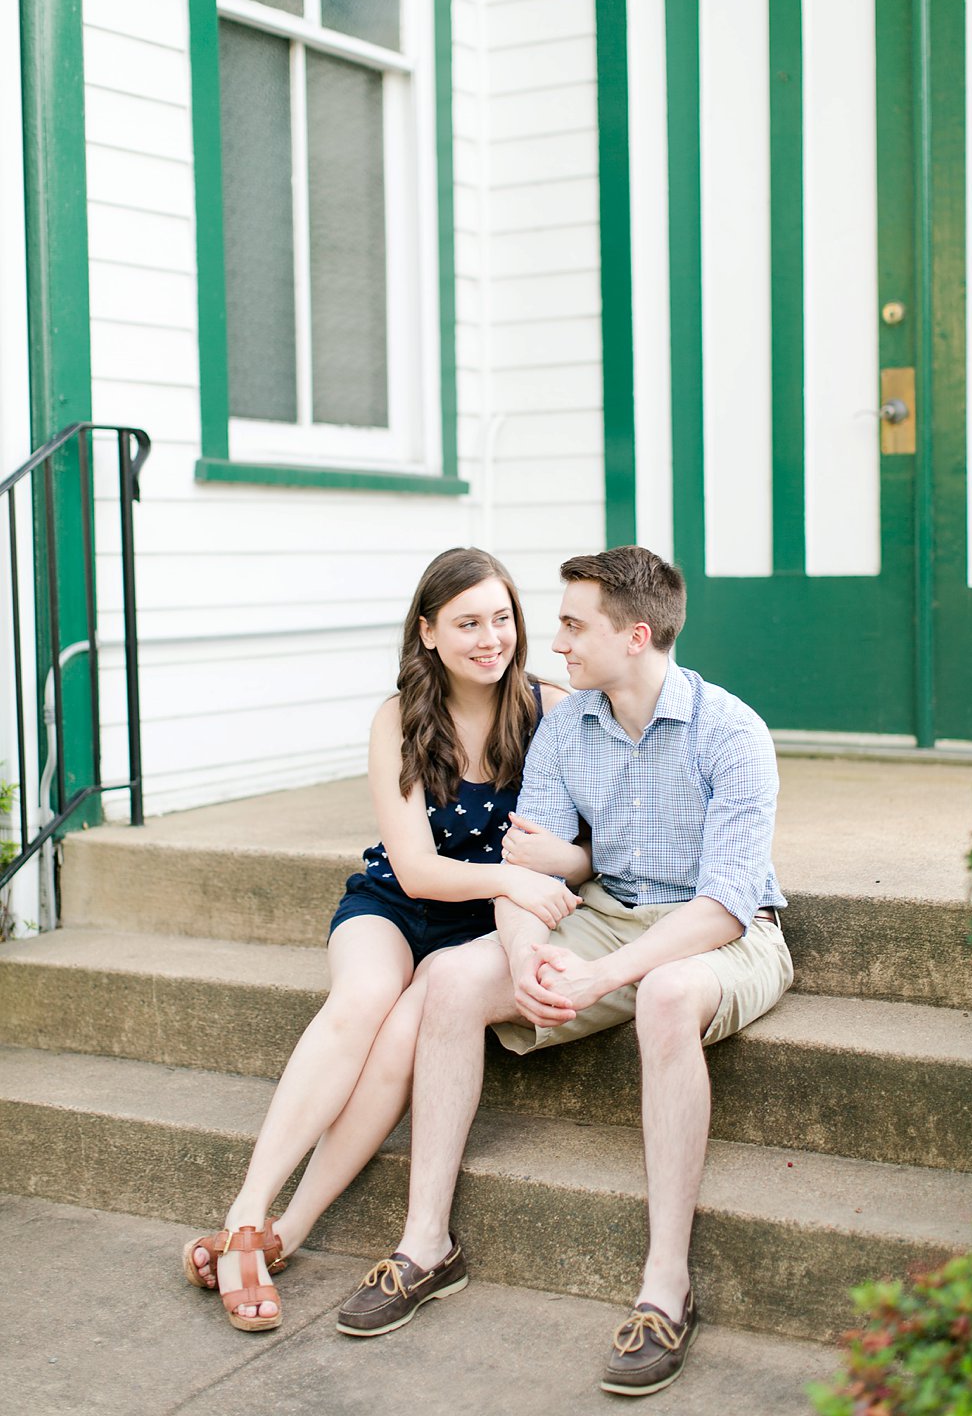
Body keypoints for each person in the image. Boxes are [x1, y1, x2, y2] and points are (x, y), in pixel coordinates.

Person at [335, 545, 792, 1399]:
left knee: (661, 995)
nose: (558, 643)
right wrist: (519, 953)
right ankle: (427, 1244)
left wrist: (594, 978)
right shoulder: (567, 724)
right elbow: (528, 866)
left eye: (575, 626)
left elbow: (724, 907)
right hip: (611, 912)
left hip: (724, 933)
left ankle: (666, 1287)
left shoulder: (732, 733)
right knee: (451, 979)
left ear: (637, 636)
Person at [183, 547, 587, 1331]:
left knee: (404, 1035)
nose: (490, 638)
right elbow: (417, 867)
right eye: (468, 622)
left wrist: (552, 870)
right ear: (429, 632)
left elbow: (590, 835)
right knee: (366, 994)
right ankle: (245, 1211)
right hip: (397, 903)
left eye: (502, 619)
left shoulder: (552, 709)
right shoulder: (399, 716)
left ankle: (285, 1236)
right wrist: (510, 877)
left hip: (475, 935)